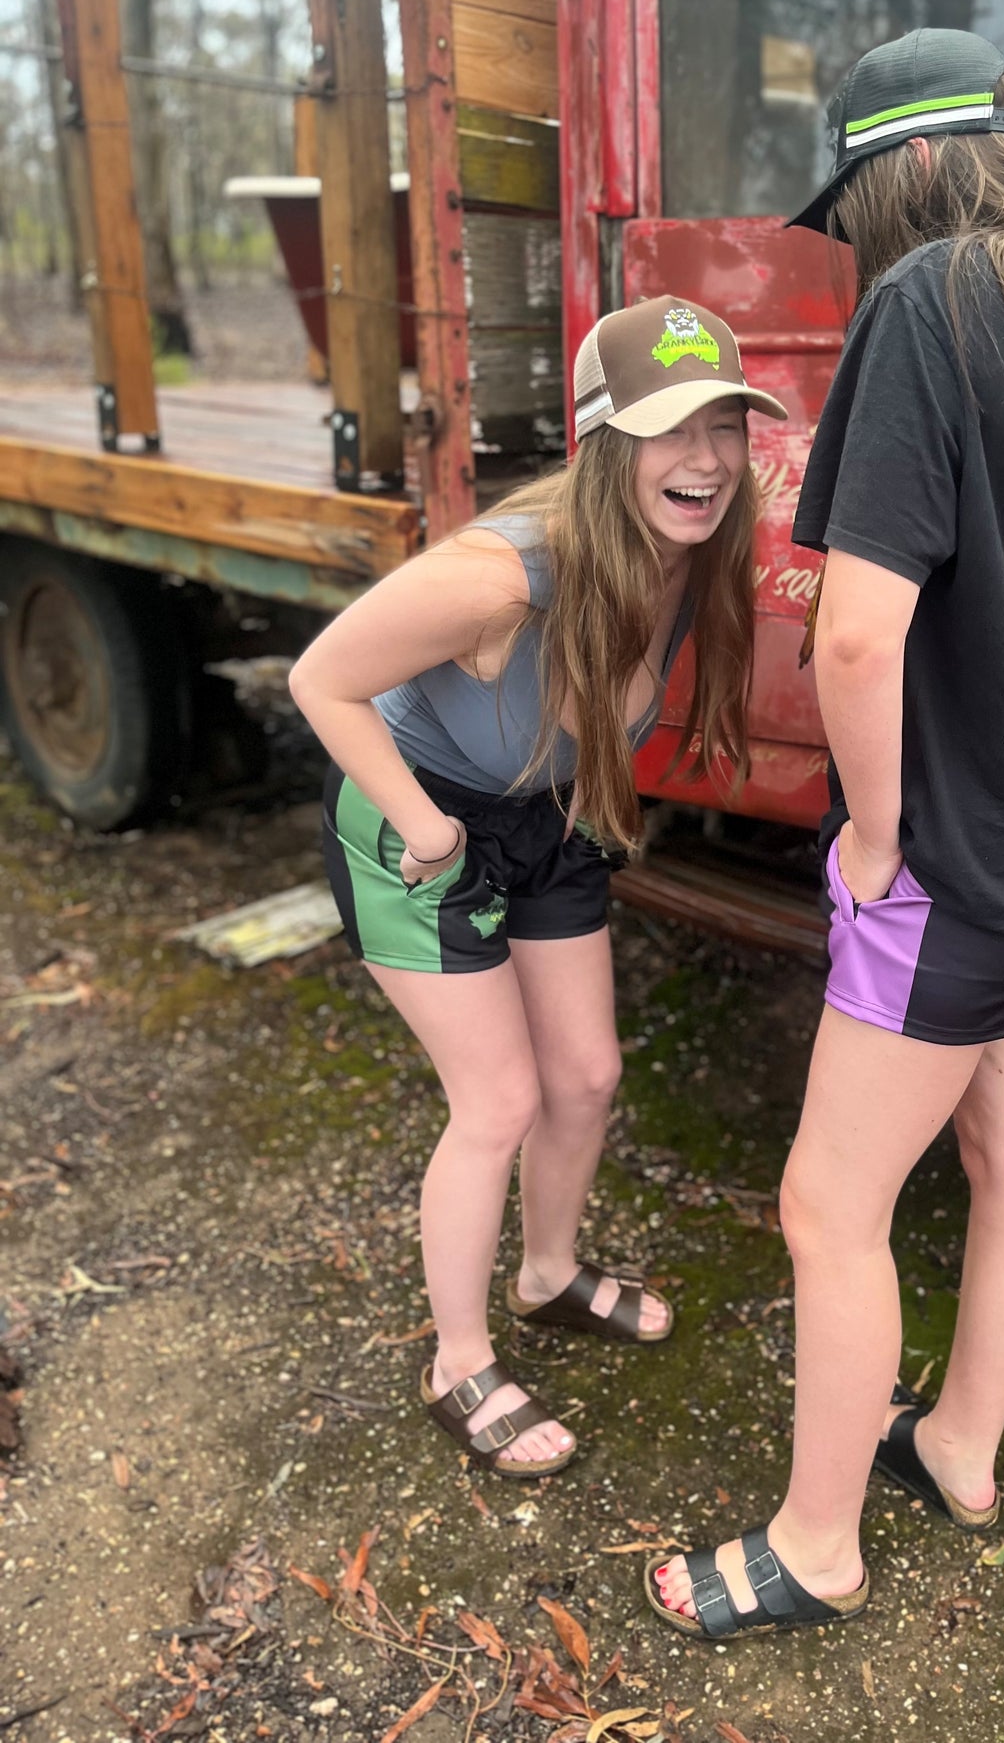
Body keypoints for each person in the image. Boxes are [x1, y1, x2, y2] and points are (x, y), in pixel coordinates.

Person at [647, 28, 1004, 1638]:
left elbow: (851, 634)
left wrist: (876, 838)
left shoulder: (927, 304)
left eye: (854, 210)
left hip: (958, 870)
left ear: (906, 170)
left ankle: (816, 1543)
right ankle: (960, 1444)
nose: (856, 251)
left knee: (831, 1206)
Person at [289, 296, 786, 1478]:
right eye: (673, 427)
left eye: (723, 421)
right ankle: (457, 1360)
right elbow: (321, 679)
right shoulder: (502, 577)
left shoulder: (693, 555)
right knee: (497, 1098)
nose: (707, 457)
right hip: (418, 816)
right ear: (607, 439)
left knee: (587, 1073)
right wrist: (424, 828)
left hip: (544, 813)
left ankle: (548, 1272)